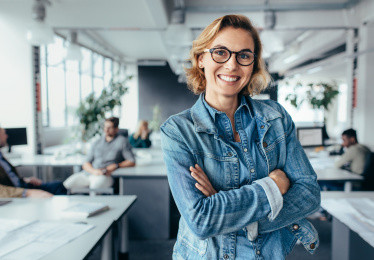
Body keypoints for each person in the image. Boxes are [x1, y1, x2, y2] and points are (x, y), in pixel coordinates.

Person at [160, 15, 320, 259]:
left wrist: (231, 213)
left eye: (244, 55)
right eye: (221, 52)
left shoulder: (276, 118)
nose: (232, 65)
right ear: (201, 58)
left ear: (253, 64)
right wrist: (273, 187)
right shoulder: (179, 131)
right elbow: (201, 220)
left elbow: (308, 193)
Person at [63, 117, 136, 191]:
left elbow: (131, 161)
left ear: (116, 129)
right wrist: (94, 171)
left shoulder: (122, 141)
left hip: (106, 175)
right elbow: (86, 163)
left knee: (95, 187)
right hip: (90, 173)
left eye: (109, 128)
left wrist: (116, 166)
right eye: (105, 127)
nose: (106, 130)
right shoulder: (97, 142)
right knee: (67, 184)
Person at [0, 127, 66, 196]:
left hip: (23, 185)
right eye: (4, 134)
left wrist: (26, 180)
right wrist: (27, 193)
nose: (7, 136)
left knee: (58, 185)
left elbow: (11, 177)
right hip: (16, 192)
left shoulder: (1, 155)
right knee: (56, 189)